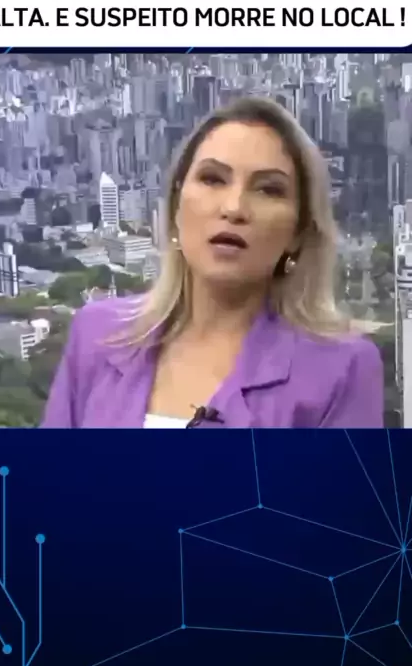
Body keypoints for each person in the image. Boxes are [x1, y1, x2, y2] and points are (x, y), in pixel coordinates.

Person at [42, 97, 384, 429]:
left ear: (299, 231)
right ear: (176, 206)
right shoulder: (97, 335)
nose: (233, 208)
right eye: (212, 179)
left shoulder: (341, 370)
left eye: (268, 190)